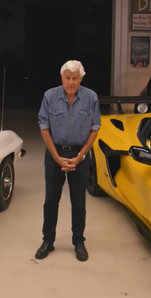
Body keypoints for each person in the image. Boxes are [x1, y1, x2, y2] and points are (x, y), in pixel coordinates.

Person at [35, 60, 101, 262]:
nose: (71, 82)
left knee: (79, 202)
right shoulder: (50, 96)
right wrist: (56, 157)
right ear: (61, 78)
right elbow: (44, 127)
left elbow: (95, 128)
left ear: (80, 78)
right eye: (67, 78)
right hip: (55, 154)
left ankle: (79, 241)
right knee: (51, 201)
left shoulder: (91, 98)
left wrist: (80, 156)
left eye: (75, 78)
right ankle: (48, 241)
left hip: (79, 156)